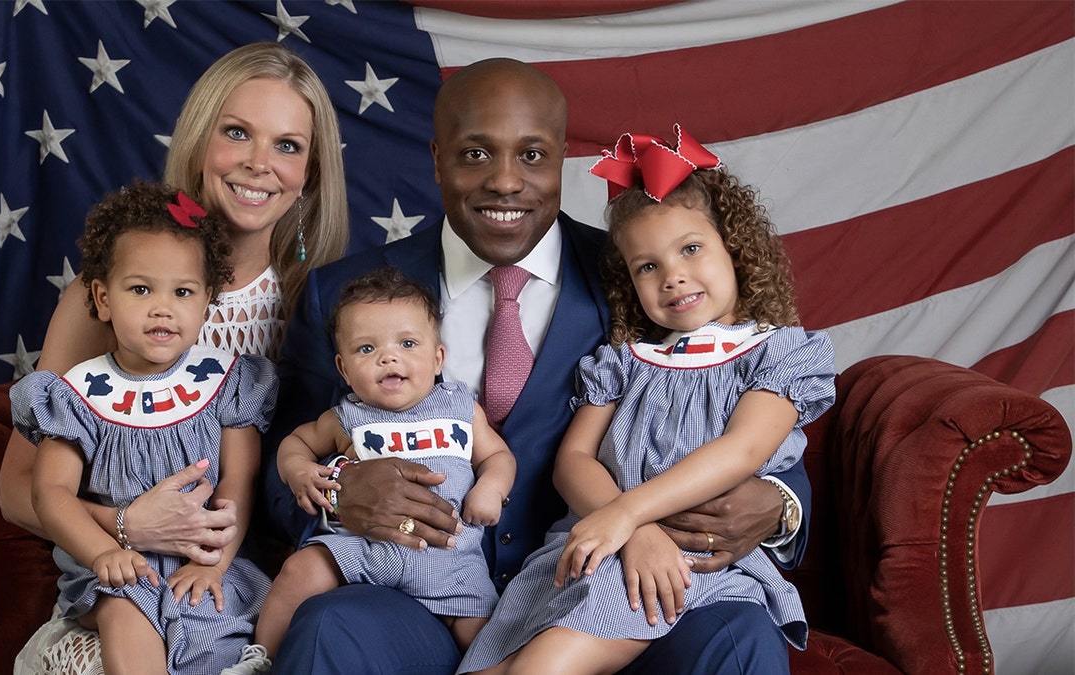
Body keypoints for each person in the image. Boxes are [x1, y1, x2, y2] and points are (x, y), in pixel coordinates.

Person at [265, 57, 814, 674]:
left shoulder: (638, 273)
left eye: (532, 155)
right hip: (415, 589)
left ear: (560, 160)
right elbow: (277, 471)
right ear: (437, 157)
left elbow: (728, 418)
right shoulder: (344, 293)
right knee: (328, 627)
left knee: (740, 636)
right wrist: (338, 495)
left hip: (611, 583)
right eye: (476, 154)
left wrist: (778, 506)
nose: (505, 181)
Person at [0, 42, 349, 673]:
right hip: (119, 569)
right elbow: (18, 492)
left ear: (311, 174)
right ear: (197, 141)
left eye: (288, 146)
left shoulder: (320, 300)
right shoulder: (105, 295)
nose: (258, 165)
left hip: (248, 577)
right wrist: (130, 526)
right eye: (237, 132)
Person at [457, 128, 836, 674]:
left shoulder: (777, 353)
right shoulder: (625, 362)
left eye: (691, 249)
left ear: (735, 247)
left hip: (695, 562)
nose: (673, 275)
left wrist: (629, 513)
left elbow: (743, 450)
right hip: (600, 544)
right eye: (647, 266)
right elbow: (574, 461)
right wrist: (629, 529)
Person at [10, 182, 279, 674]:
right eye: (140, 289)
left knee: (211, 626)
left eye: (182, 292)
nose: (162, 307)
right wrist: (101, 554)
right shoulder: (80, 393)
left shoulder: (228, 381)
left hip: (204, 558)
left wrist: (215, 562)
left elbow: (239, 482)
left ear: (206, 302)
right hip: (118, 567)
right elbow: (50, 492)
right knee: (125, 614)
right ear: (102, 298)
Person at [246, 266, 515, 667]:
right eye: (366, 349)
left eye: (407, 343)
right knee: (299, 571)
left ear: (438, 358)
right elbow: (295, 444)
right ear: (344, 370)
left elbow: (498, 456)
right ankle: (261, 659)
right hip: (364, 547)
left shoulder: (460, 406)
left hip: (449, 557)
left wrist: (490, 487)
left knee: (484, 639)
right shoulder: (344, 418)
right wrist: (299, 471)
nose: (388, 356)